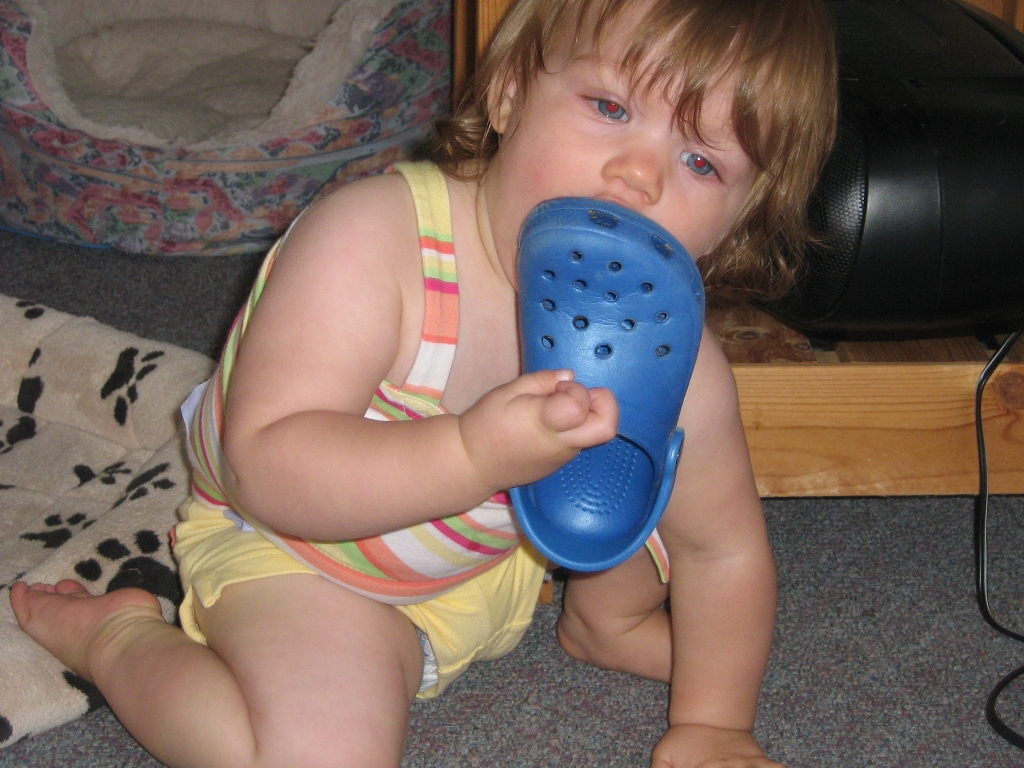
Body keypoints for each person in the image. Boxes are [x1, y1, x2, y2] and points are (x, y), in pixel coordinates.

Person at [11, 0, 838, 765]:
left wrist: (716, 725)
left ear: (740, 216)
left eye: (701, 161)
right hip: (296, 548)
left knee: (650, 468)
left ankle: (604, 620)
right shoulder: (375, 243)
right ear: (511, 93)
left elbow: (722, 549)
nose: (638, 177)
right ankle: (122, 640)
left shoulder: (671, 353)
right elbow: (266, 467)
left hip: (490, 560)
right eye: (610, 108)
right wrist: (473, 455)